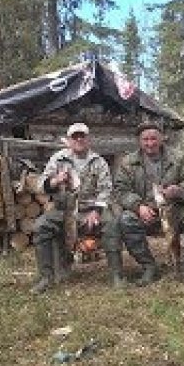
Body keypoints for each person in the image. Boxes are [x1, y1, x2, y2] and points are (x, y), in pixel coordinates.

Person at [31, 122, 121, 293]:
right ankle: (45, 277)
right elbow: (41, 186)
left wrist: (97, 211)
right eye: (75, 136)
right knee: (40, 226)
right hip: (63, 210)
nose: (79, 139)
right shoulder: (58, 159)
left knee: (111, 224)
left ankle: (116, 275)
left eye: (82, 136)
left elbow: (107, 190)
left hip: (90, 209)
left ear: (88, 139)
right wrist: (55, 181)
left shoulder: (98, 161)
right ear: (69, 140)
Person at [114, 122, 184, 285]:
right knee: (126, 219)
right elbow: (120, 190)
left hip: (175, 208)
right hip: (145, 211)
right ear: (139, 141)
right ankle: (149, 267)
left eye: (154, 138)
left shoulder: (179, 157)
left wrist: (179, 190)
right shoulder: (128, 162)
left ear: (162, 138)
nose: (150, 143)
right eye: (145, 139)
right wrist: (138, 206)